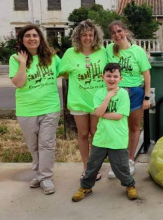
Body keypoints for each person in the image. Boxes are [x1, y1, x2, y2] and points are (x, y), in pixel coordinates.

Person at [72, 63, 138, 202]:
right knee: (92, 166)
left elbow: (118, 115)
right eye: (109, 76)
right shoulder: (99, 94)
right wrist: (107, 97)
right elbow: (97, 113)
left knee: (121, 167)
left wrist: (101, 113)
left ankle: (130, 185)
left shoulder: (124, 94)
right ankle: (85, 187)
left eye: (115, 76)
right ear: (103, 77)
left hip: (117, 138)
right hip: (101, 138)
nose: (112, 79)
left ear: (120, 78)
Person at [9, 24, 61, 195]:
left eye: (35, 35)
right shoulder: (15, 59)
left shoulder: (52, 58)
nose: (32, 38)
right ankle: (39, 174)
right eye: (27, 36)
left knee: (46, 144)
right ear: (22, 40)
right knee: (34, 146)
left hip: (50, 107)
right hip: (26, 110)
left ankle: (46, 177)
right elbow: (19, 83)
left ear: (40, 38)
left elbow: (66, 72)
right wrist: (23, 63)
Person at [59, 20, 107, 180]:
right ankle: (87, 167)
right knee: (83, 134)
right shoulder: (70, 53)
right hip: (78, 100)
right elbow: (62, 72)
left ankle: (95, 166)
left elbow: (110, 71)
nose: (87, 38)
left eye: (90, 34)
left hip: (97, 101)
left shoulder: (102, 52)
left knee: (96, 133)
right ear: (78, 36)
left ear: (95, 36)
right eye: (84, 35)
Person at [106, 21, 151, 177]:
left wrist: (146, 97)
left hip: (135, 93)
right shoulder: (109, 50)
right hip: (116, 94)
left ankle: (130, 160)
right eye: (113, 33)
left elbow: (146, 75)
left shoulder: (137, 51)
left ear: (125, 31)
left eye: (119, 31)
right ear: (111, 36)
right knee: (117, 128)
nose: (117, 35)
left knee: (133, 126)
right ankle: (117, 163)